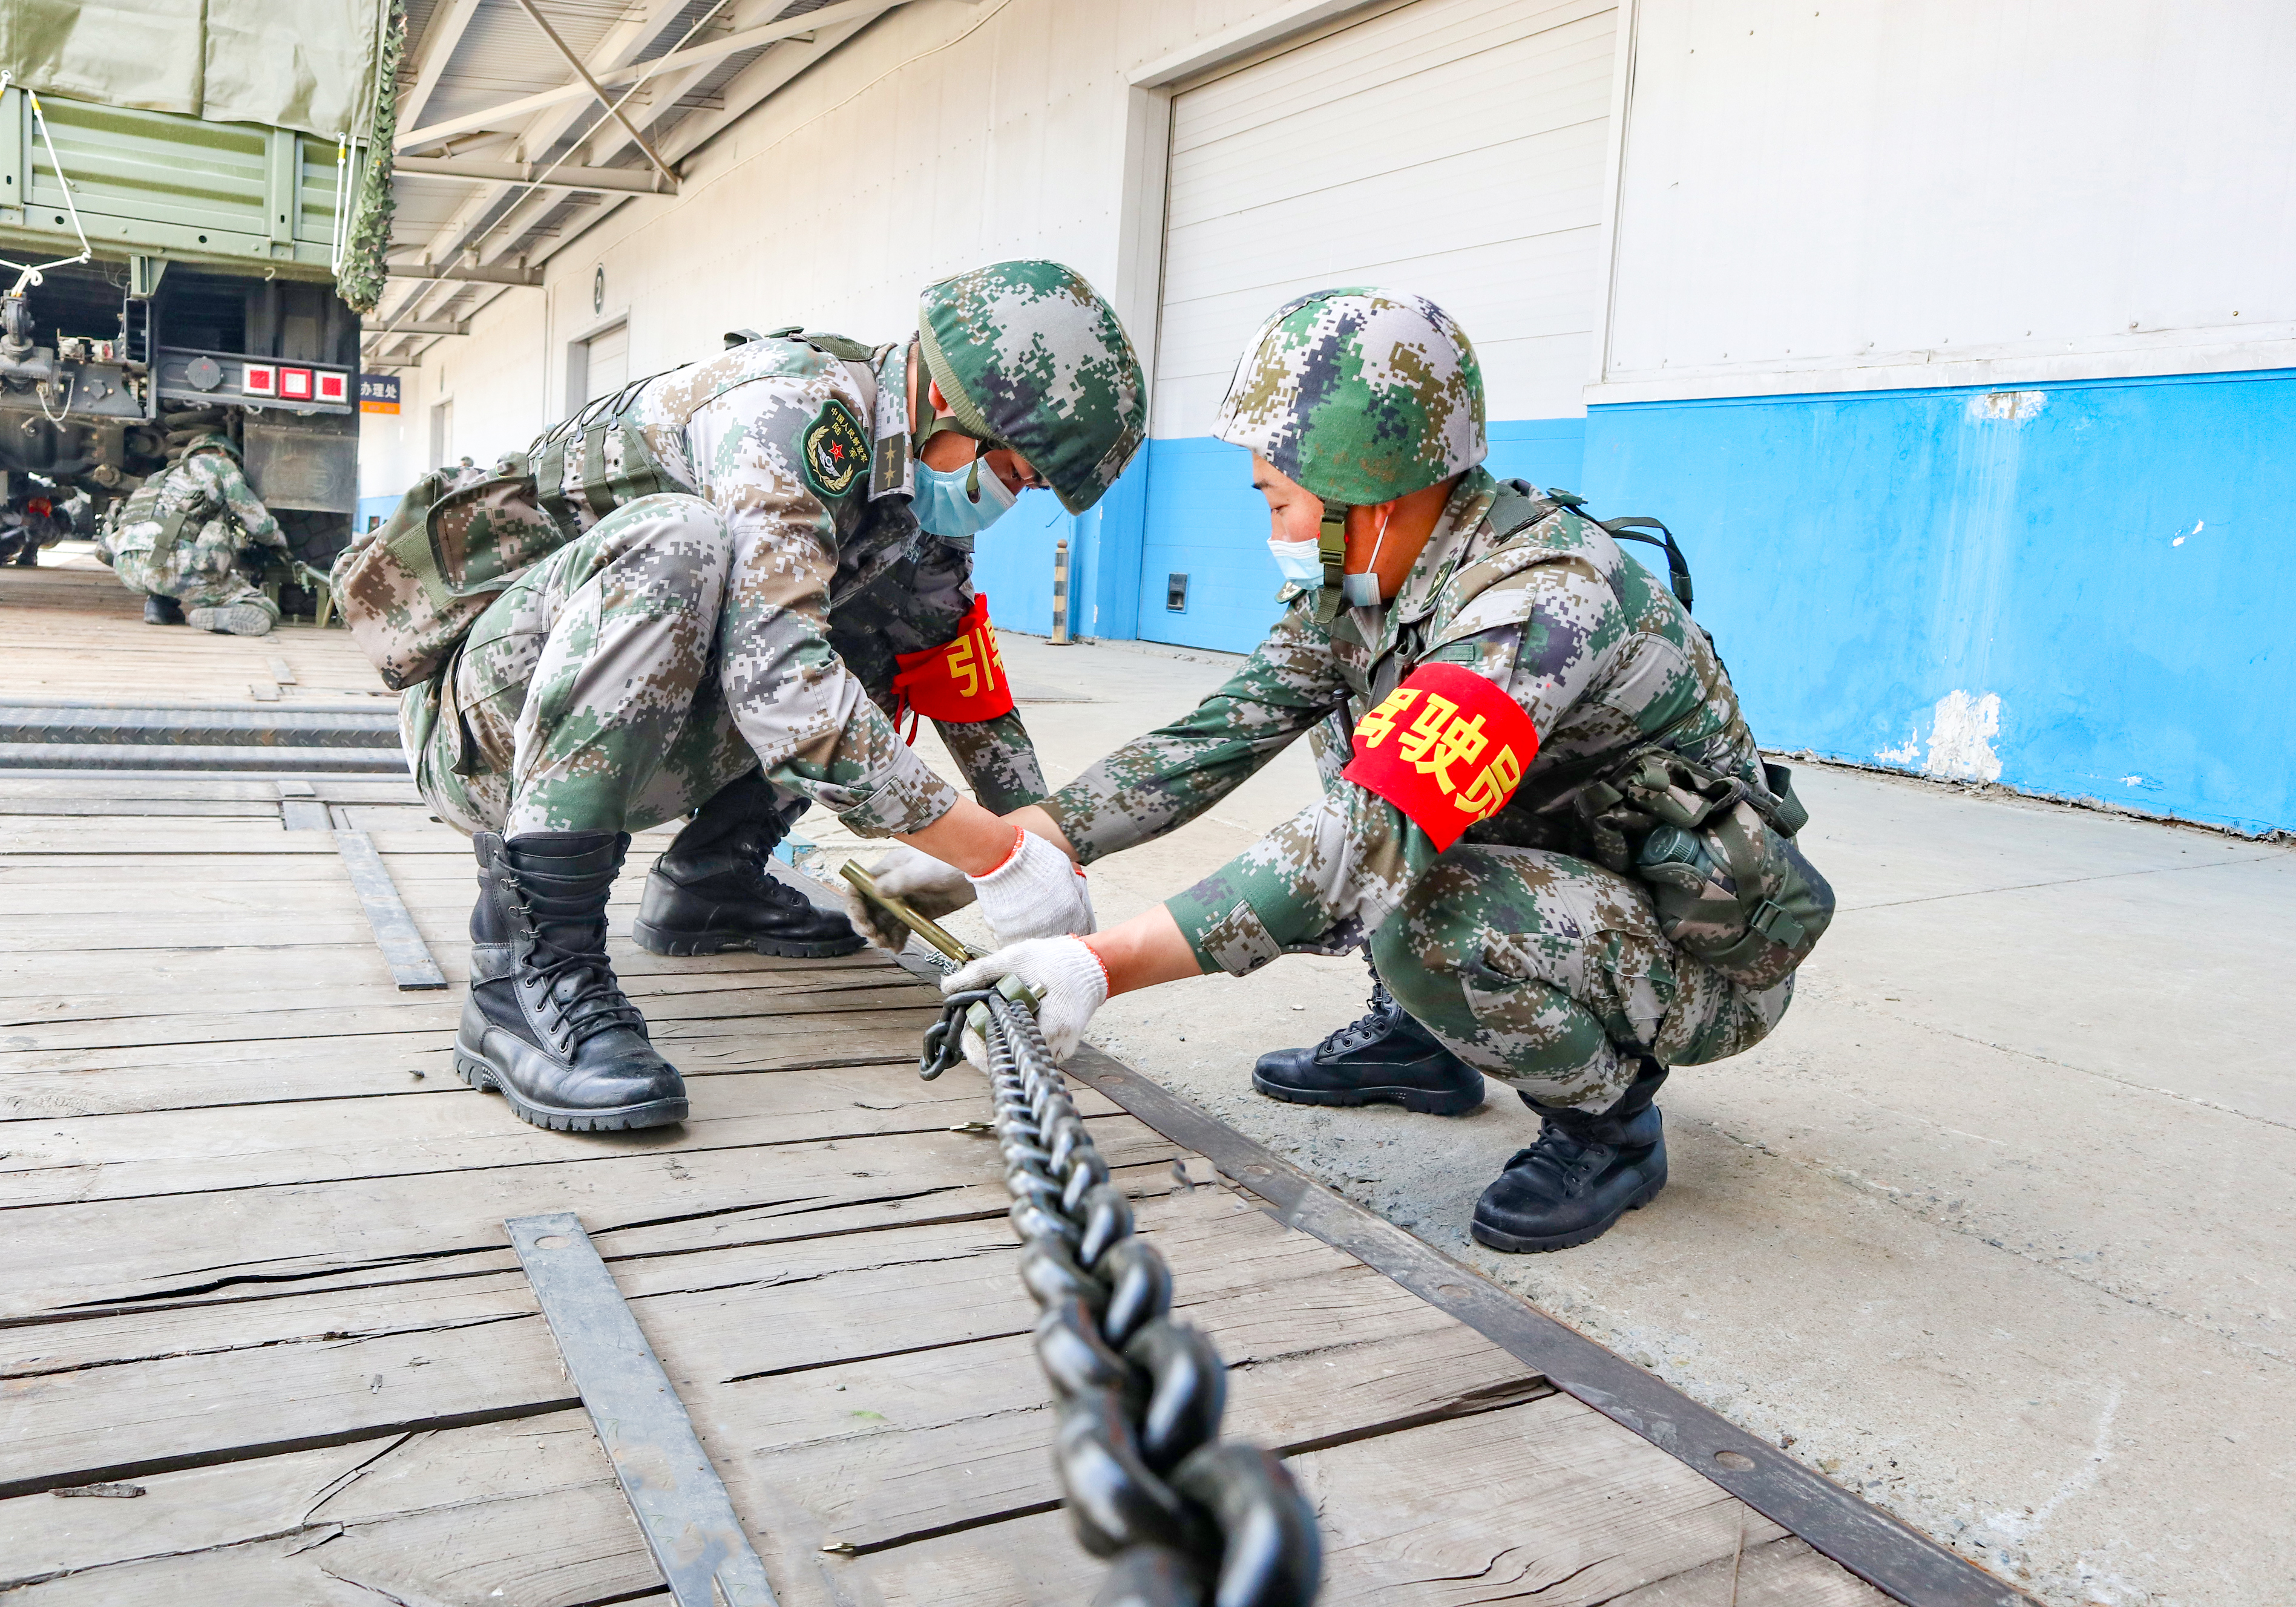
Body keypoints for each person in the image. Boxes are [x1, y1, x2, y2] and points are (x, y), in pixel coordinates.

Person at [913, 289, 1832, 1252]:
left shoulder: (1536, 603)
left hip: (1697, 951)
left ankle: (1608, 1125)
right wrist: (1009, 848)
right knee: (1351, 726)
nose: (1269, 521)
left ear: (1370, 496)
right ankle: (1420, 1039)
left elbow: (1364, 837)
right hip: (1568, 877)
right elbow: (1214, 735)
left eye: (1276, 497)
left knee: (1420, 908)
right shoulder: (1370, 584)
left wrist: (1096, 967)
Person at [393, 261, 1144, 1134]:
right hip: (488, 729)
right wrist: (989, 855)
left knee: (866, 626)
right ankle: (525, 972)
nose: (1012, 499)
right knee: (682, 545)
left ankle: (710, 881)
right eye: (1018, 473)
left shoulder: (909, 507)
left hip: (610, 724)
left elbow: (952, 670)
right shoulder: (786, 412)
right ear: (952, 408)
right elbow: (781, 691)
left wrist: (1038, 857)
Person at [103, 407, 288, 635]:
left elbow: (107, 549)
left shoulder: (157, 479)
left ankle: (159, 605)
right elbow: (255, 519)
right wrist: (277, 544)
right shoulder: (220, 465)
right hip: (170, 568)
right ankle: (227, 611)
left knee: (168, 536)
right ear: (224, 453)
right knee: (264, 607)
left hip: (128, 570)